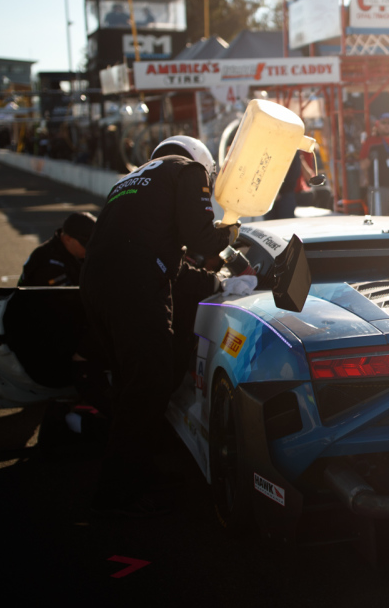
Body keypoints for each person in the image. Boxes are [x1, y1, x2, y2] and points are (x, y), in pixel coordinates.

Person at [80, 136, 247, 517]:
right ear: (202, 164)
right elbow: (201, 237)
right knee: (150, 382)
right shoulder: (187, 170)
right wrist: (230, 231)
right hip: (133, 285)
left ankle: (137, 473)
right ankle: (117, 493)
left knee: (131, 383)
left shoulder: (132, 180)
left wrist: (217, 283)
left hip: (96, 284)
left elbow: (161, 255)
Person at [18, 211, 96, 287]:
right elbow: (72, 297)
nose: (90, 251)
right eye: (86, 245)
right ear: (68, 239)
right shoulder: (48, 263)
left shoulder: (71, 251)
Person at [359, 113, 389, 216]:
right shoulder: (370, 142)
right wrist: (370, 158)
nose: (387, 125)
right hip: (378, 187)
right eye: (383, 123)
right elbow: (362, 165)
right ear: (378, 124)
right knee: (378, 215)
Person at [267, 150, 317, 219]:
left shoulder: (301, 152)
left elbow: (309, 178)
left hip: (289, 192)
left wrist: (301, 160)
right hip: (273, 193)